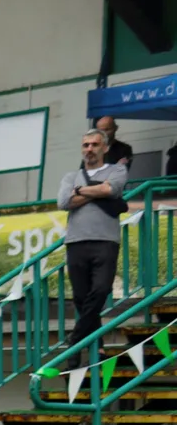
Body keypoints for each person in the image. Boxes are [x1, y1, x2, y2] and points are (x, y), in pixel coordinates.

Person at [59, 129, 129, 366]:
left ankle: (75, 342)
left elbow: (111, 190)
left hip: (105, 241)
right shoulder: (71, 176)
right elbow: (63, 202)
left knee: (100, 291)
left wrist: (80, 191)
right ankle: (96, 345)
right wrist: (97, 190)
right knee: (81, 297)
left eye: (95, 145)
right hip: (75, 241)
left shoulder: (117, 170)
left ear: (105, 148)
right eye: (86, 145)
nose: (89, 149)